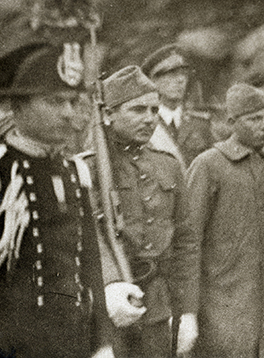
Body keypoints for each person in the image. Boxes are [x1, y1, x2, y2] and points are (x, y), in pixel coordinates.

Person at [0, 42, 114, 357]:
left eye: (72, 101)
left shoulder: (74, 171)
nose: (68, 113)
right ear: (17, 106)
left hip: (72, 342)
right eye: (55, 101)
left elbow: (90, 263)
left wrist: (102, 342)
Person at [93, 65, 199, 358]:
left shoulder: (168, 165)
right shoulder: (91, 167)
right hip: (107, 307)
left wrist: (188, 312)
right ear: (109, 114)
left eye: (154, 110)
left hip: (158, 306)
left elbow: (186, 243)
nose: (150, 118)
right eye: (138, 110)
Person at [186, 83, 264, 358]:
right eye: (255, 119)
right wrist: (187, 310)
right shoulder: (209, 165)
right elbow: (188, 240)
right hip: (220, 300)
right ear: (232, 122)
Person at [142, 44, 213, 168]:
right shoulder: (145, 123)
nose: (181, 80)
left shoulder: (201, 123)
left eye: (184, 74)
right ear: (153, 81)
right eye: (171, 74)